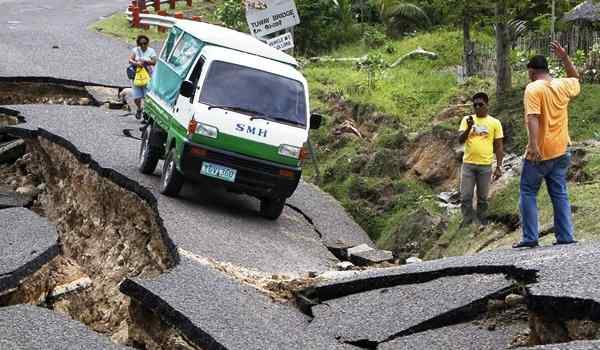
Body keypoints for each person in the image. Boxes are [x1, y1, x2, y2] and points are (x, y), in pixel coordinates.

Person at [513, 41, 580, 248]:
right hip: (561, 150)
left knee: (527, 191)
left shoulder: (533, 88)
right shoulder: (562, 84)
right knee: (559, 192)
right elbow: (576, 78)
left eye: (528, 72)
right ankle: (565, 236)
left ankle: (530, 237)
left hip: (541, 151)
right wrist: (565, 58)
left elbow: (532, 116)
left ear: (532, 71)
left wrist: (533, 146)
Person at [458, 92, 504, 228]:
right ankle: (468, 221)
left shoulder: (495, 123)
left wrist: (499, 166)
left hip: (485, 165)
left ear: (487, 105)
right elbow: (460, 140)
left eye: (480, 104)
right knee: (466, 196)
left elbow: (499, 146)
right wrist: (469, 128)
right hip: (468, 164)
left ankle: (482, 220)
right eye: (475, 105)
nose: (477, 107)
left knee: (482, 197)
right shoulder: (466, 120)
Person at [128, 35, 157, 120]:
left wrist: (146, 61)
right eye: (141, 44)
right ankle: (139, 109)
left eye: (145, 43)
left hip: (147, 76)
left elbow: (154, 62)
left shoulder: (151, 51)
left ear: (147, 43)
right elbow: (130, 60)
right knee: (137, 97)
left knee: (146, 96)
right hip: (137, 76)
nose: (143, 45)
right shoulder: (135, 50)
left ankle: (146, 114)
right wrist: (136, 63)